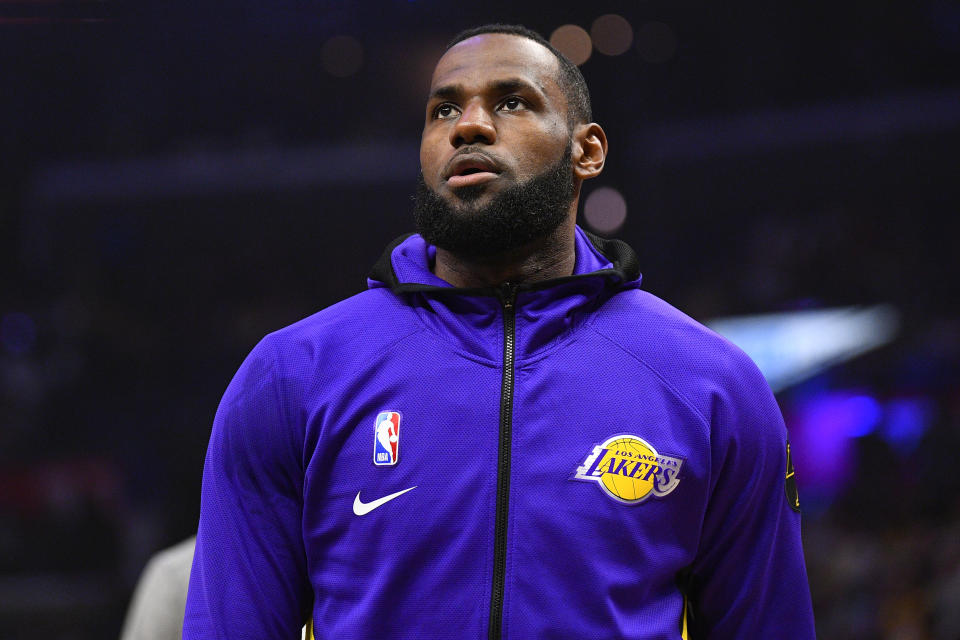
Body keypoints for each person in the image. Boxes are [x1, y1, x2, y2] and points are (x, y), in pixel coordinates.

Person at [183, 23, 816, 639]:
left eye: (511, 102)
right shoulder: (291, 376)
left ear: (587, 150)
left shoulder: (712, 385)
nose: (469, 126)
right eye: (442, 111)